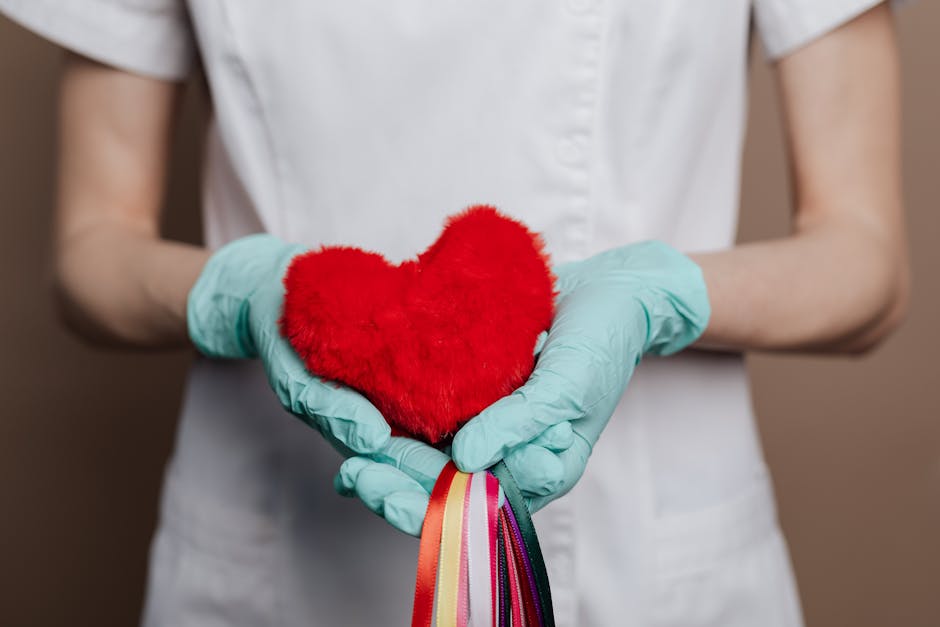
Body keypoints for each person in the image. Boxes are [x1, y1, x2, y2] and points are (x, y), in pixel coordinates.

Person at [0, 1, 910, 625]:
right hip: (269, 548)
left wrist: (654, 297)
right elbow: (90, 252)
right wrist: (240, 296)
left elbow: (865, 258)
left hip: (647, 558)